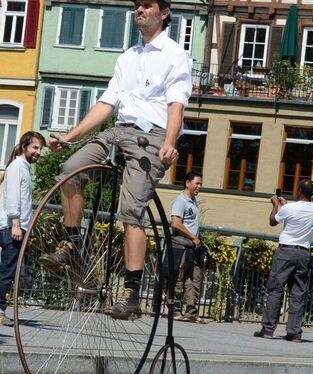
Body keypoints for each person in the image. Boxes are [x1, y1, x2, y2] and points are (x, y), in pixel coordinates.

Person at [37, 0, 192, 320]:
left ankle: (132, 294)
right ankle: (74, 247)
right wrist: (69, 137)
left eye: (147, 5)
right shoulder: (127, 58)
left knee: (131, 209)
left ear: (164, 13)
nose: (139, 10)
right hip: (118, 131)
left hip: (151, 138)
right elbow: (107, 104)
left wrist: (170, 142)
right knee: (69, 170)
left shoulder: (176, 55)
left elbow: (176, 105)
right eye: (137, 6)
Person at [253, 179, 313, 343]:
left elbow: (272, 221)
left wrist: (275, 205)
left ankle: (268, 329)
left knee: (276, 289)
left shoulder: (289, 208)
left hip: (285, 251)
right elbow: (300, 212)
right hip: (304, 252)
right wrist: (285, 205)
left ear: (299, 190)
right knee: (298, 293)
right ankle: (294, 333)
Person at [0, 132, 46, 325]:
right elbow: (13, 197)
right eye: (35, 147)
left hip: (17, 226)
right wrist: (17, 225)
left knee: (9, 269)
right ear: (25, 146)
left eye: (40, 148)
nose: (38, 152)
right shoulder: (17, 167)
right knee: (7, 270)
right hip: (11, 227)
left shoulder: (24, 168)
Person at [170, 171, 206, 323]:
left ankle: (191, 312)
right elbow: (175, 223)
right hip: (180, 245)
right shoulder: (181, 201)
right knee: (178, 278)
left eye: (200, 184)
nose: (199, 186)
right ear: (187, 183)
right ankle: (175, 310)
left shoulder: (193, 201)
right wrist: (193, 237)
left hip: (192, 247)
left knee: (193, 279)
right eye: (197, 183)